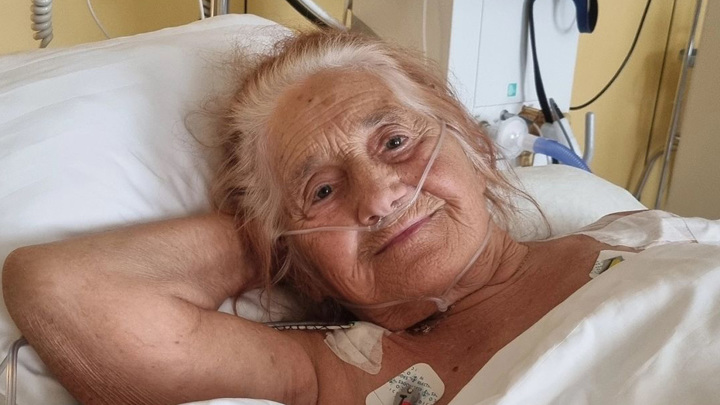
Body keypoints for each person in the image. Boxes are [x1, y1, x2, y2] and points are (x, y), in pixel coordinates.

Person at [2, 30, 645, 405]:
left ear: (474, 145)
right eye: (322, 191)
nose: (379, 198)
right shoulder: (340, 373)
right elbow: (61, 288)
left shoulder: (640, 234)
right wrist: (280, 245)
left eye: (396, 142)